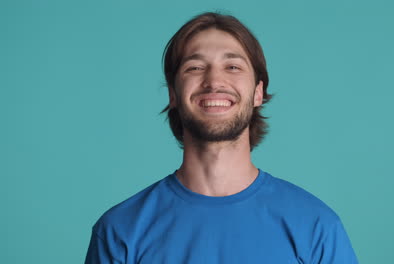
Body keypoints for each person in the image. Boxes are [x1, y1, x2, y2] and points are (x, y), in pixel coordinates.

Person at [85, 12, 359, 264]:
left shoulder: (316, 226)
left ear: (257, 93)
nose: (214, 81)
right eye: (194, 68)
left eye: (233, 67)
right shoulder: (119, 230)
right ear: (172, 94)